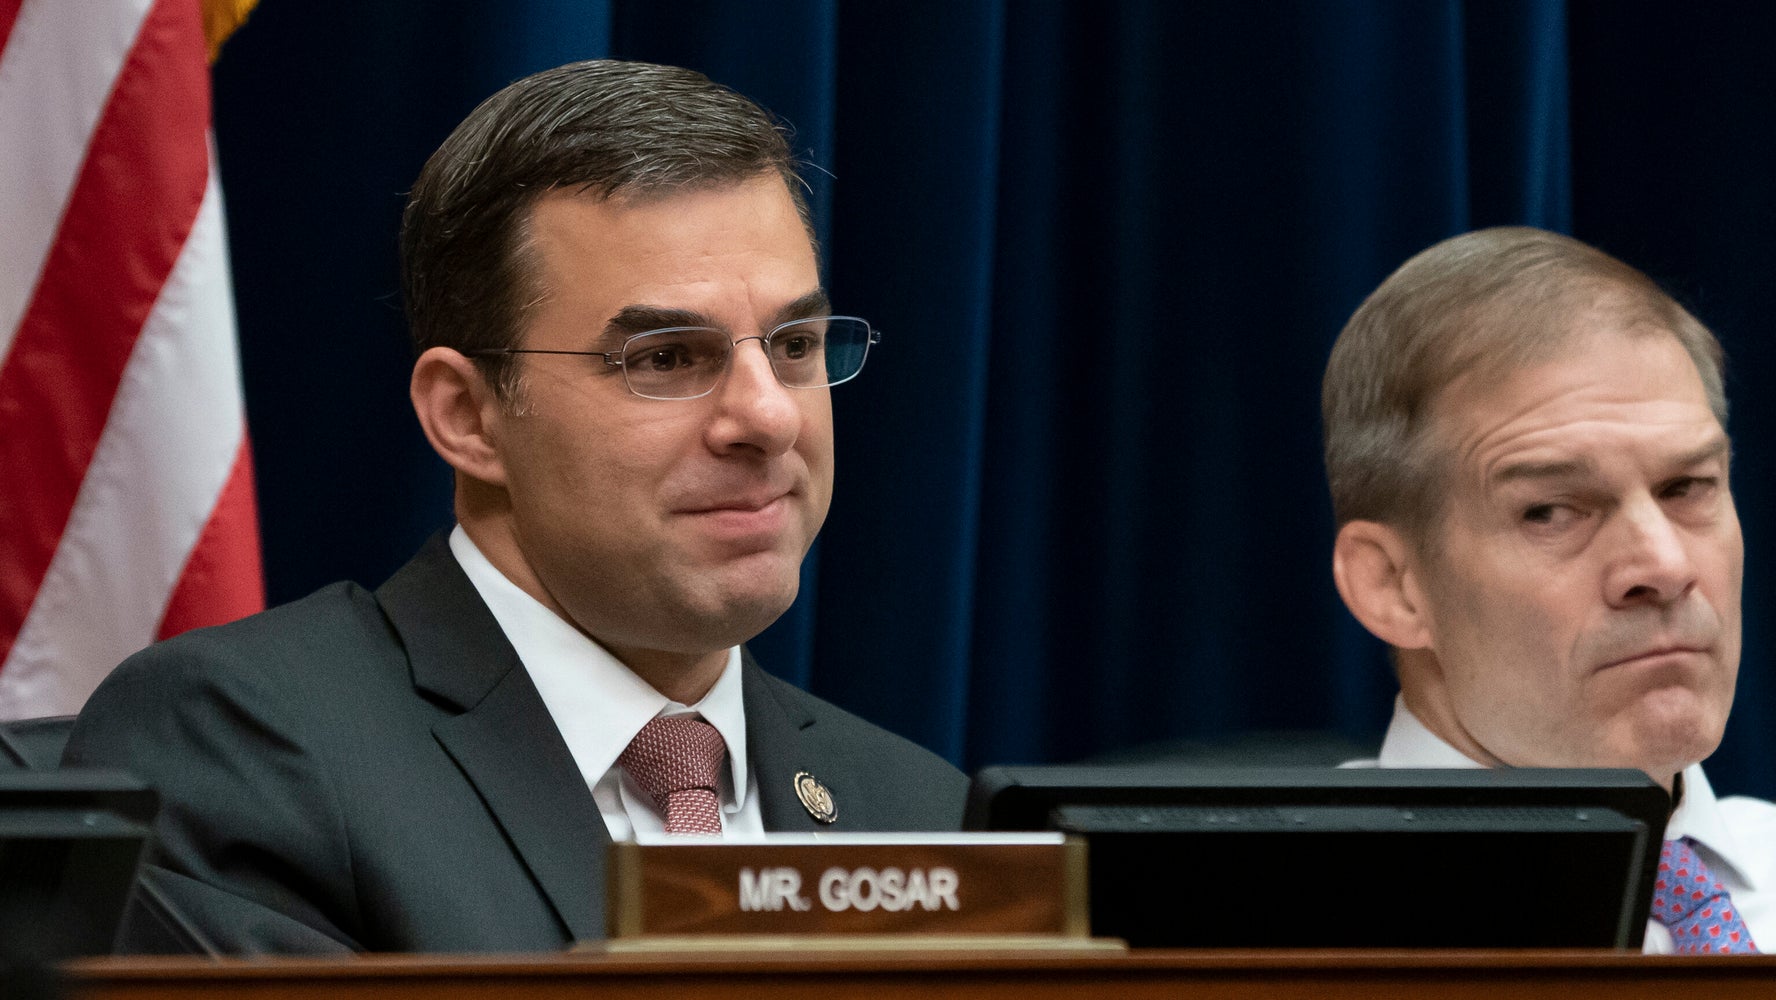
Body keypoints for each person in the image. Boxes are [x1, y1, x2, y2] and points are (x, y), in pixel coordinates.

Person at [64, 59, 967, 955]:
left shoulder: (924, 812)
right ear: (468, 416)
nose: (769, 418)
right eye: (665, 358)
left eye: (796, 344)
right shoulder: (243, 748)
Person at [1324, 226, 1773, 954]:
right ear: (1393, 587)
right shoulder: (1234, 934)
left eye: (1686, 487)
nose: (1664, 566)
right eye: (1552, 511)